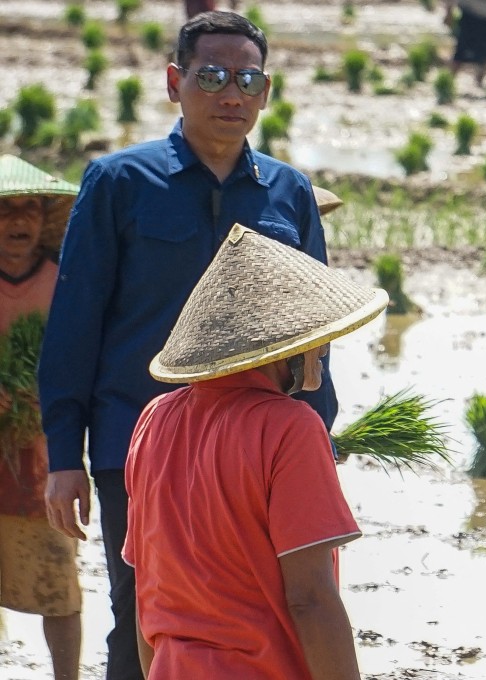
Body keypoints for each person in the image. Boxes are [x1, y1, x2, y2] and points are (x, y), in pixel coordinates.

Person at [38, 12, 338, 680]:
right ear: (175, 82)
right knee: (147, 613)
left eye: (248, 78)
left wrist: (320, 433)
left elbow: (313, 323)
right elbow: (74, 323)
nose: (232, 93)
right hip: (138, 444)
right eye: (212, 75)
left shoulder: (287, 192)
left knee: (266, 609)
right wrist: (64, 456)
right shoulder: (119, 182)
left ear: (266, 92)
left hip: (260, 446)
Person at [124, 224, 386, 679]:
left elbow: (146, 586)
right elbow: (310, 599)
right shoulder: (290, 427)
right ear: (283, 346)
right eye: (314, 337)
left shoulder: (154, 419)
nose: (321, 348)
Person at [0, 155, 81, 680]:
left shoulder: (63, 284)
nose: (18, 222)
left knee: (58, 581)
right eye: (5, 212)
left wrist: (39, 395)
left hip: (44, 458)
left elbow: (79, 364)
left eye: (28, 209)